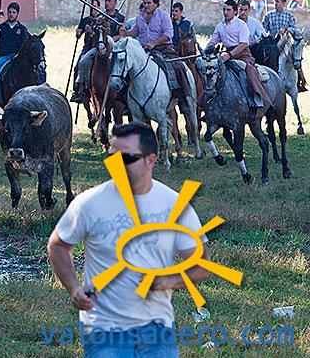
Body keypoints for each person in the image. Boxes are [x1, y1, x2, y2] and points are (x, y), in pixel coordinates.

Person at [48, 121, 211, 358]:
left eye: (127, 158)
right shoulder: (89, 203)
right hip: (104, 330)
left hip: (157, 330)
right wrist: (73, 288)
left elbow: (201, 265)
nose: (117, 165)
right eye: (112, 157)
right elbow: (58, 245)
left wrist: (167, 281)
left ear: (150, 160)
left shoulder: (175, 205)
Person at [206, 0, 272, 117]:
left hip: (243, 54)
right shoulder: (220, 26)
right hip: (226, 54)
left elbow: (244, 43)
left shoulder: (241, 25)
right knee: (211, 71)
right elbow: (213, 41)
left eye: (228, 10)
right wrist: (206, 50)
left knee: (249, 71)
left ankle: (256, 100)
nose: (225, 12)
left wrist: (230, 54)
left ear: (235, 12)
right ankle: (206, 103)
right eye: (224, 9)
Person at [122, 0, 190, 98]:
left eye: (149, 3)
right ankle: (123, 97)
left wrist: (154, 43)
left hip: (163, 48)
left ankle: (183, 96)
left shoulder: (163, 16)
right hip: (143, 49)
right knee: (125, 65)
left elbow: (168, 34)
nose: (146, 5)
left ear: (156, 4)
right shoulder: (139, 17)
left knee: (178, 66)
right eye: (144, 3)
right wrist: (125, 33)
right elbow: (134, 32)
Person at [71, 0, 125, 103]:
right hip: (98, 47)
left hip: (114, 48)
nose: (107, 3)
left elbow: (122, 34)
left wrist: (113, 38)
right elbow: (94, 33)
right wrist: (90, 30)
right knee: (82, 62)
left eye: (109, 1)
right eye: (106, 1)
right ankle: (82, 89)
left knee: (125, 64)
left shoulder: (120, 18)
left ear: (115, 3)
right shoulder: (99, 17)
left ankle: (124, 91)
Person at [0, 1, 29, 113]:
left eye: (14, 12)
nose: (11, 14)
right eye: (10, 12)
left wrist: (19, 55)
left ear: (17, 14)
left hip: (17, 57)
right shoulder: (1, 28)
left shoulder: (22, 29)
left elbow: (25, 45)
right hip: (4, 57)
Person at [263, 0, 307, 91]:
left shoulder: (289, 16)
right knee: (266, 56)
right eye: (274, 1)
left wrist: (286, 29)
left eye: (277, 1)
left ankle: (300, 81)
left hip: (286, 42)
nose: (275, 3)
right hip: (273, 43)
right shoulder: (268, 15)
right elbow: (263, 29)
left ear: (283, 4)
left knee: (296, 57)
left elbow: (294, 28)